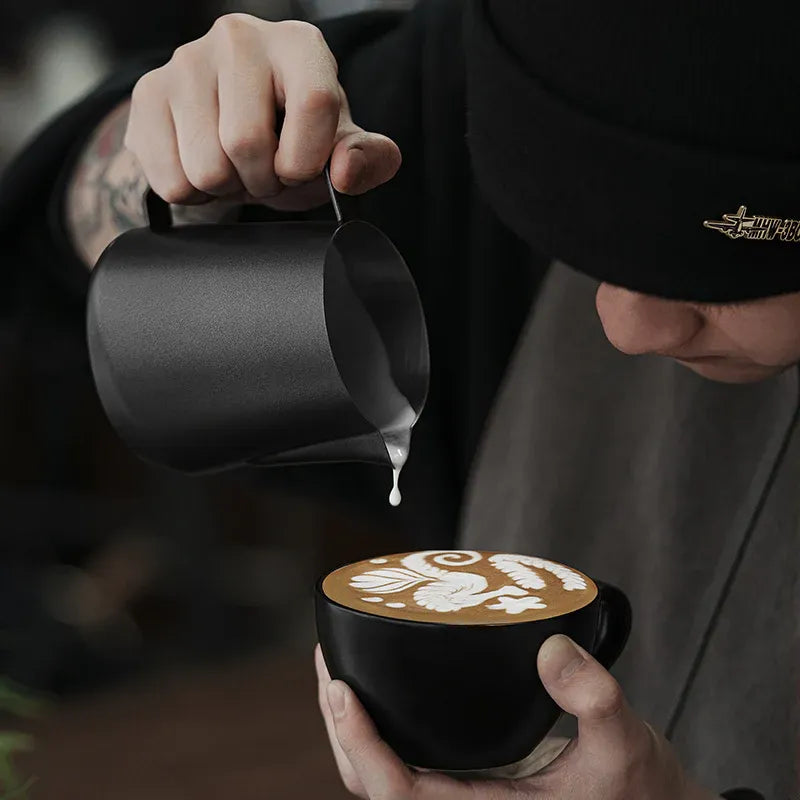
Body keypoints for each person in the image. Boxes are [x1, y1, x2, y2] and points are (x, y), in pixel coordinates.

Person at [1, 2, 796, 798]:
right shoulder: (535, 65)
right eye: (583, 247)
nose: (625, 325)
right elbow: (48, 248)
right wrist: (183, 163)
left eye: (718, 266)